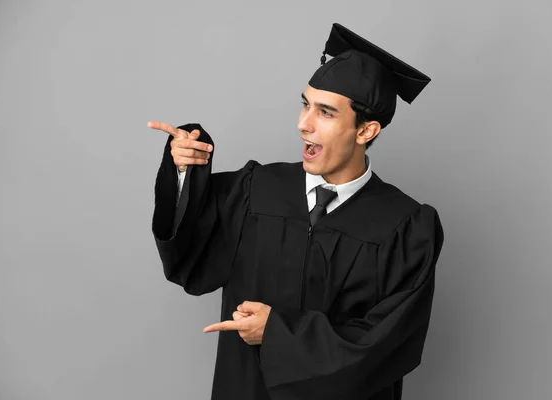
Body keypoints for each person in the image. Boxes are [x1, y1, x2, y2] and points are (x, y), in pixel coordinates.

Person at [149, 23, 444, 400]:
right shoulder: (255, 190)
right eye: (305, 104)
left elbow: (386, 345)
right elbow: (190, 259)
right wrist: (183, 171)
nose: (303, 124)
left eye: (325, 112)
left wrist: (278, 334)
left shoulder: (405, 227)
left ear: (366, 130)